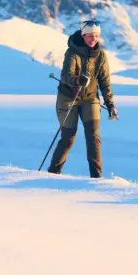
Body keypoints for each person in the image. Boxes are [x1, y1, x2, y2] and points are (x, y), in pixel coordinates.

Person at [48, 20, 118, 178]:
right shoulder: (72, 52)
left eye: (96, 36)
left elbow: (105, 81)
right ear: (83, 35)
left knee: (93, 137)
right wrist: (77, 81)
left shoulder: (100, 55)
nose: (93, 39)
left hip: (90, 98)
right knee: (68, 137)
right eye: (90, 36)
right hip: (68, 98)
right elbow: (66, 74)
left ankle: (96, 177)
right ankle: (52, 174)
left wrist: (110, 104)